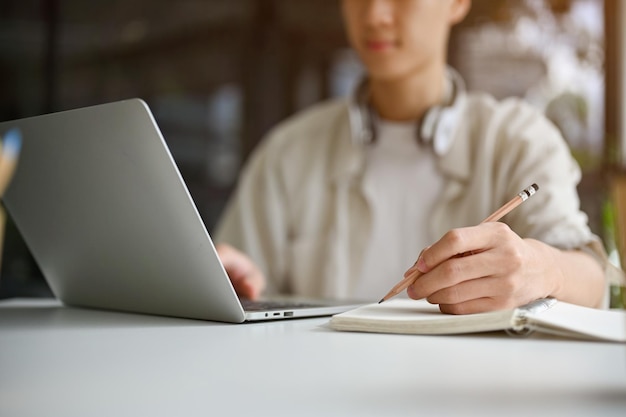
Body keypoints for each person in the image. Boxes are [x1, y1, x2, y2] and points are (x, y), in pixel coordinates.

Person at [214, 0, 616, 314]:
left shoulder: (518, 140)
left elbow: (594, 280)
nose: (374, 15)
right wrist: (226, 277)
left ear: (457, 5)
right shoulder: (288, 151)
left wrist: (545, 268)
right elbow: (236, 283)